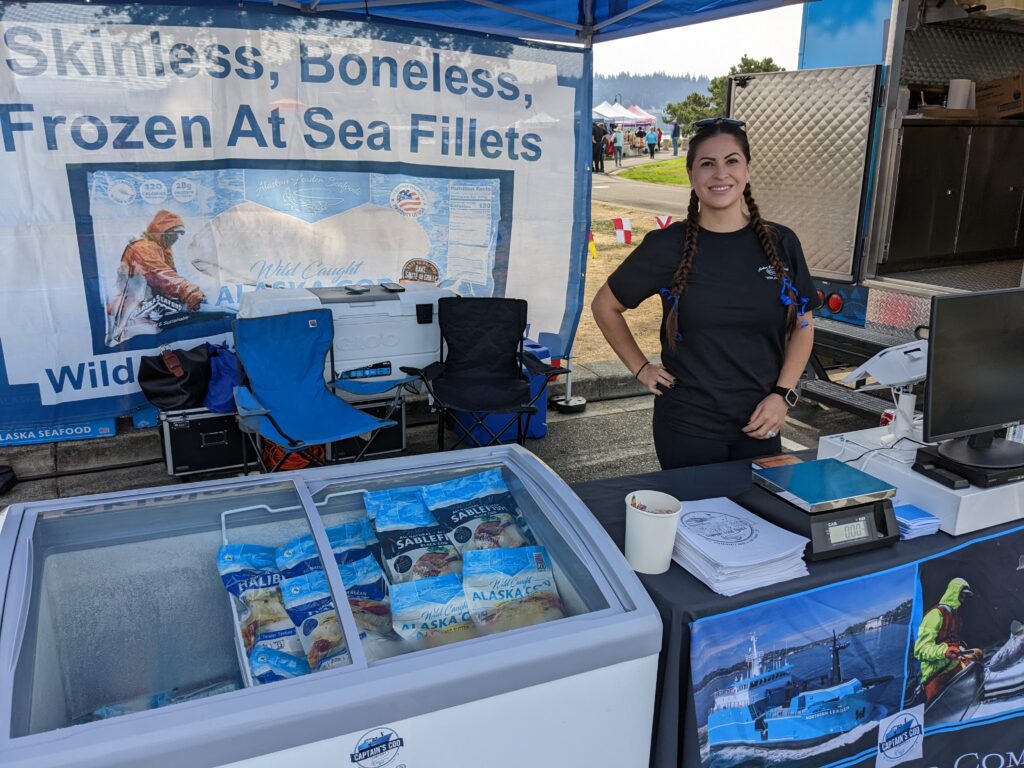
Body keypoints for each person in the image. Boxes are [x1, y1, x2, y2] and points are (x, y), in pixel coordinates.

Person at [590, 118, 819, 469]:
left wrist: (782, 395)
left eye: (731, 161)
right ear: (691, 174)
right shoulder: (667, 246)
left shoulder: (780, 243)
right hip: (687, 428)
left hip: (762, 423)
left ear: (747, 169)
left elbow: (803, 324)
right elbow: (605, 305)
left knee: (763, 518)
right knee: (695, 522)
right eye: (707, 164)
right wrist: (641, 369)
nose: (720, 174)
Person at [914, 578, 983, 703]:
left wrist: (963, 652)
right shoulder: (935, 614)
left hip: (954, 669)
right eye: (961, 595)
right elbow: (920, 649)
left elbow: (953, 641)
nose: (962, 600)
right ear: (953, 592)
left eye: (964, 596)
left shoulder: (956, 617)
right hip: (935, 677)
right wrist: (944, 651)